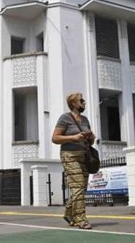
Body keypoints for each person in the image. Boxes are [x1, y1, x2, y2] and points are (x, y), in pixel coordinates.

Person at [52, 92, 95, 230]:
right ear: (73, 103)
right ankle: (80, 219)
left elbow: (91, 141)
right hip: (69, 155)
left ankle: (69, 213)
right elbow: (55, 138)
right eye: (81, 100)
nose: (84, 103)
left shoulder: (85, 120)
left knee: (82, 187)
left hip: (84, 156)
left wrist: (91, 137)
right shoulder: (65, 118)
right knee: (78, 186)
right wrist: (74, 138)